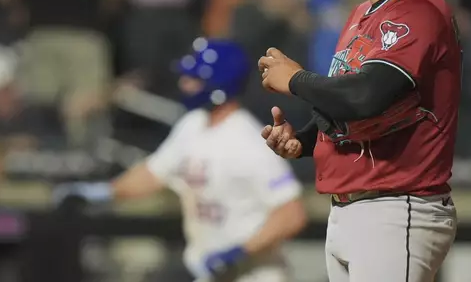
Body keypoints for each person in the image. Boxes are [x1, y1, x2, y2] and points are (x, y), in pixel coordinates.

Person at [258, 0, 461, 281]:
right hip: (357, 208)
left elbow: (367, 95)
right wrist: (303, 140)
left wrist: (296, 80)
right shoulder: (363, 13)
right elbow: (351, 104)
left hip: (394, 208)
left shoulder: (418, 9)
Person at [53, 38, 307, 282]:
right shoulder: (192, 125)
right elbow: (153, 172)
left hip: (255, 275)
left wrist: (238, 253)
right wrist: (101, 193)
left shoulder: (248, 140)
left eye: (194, 79)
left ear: (218, 84)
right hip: (210, 272)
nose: (185, 84)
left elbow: (292, 214)